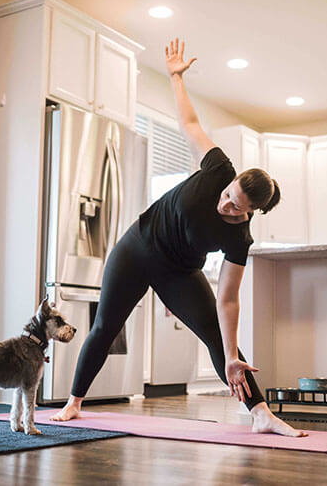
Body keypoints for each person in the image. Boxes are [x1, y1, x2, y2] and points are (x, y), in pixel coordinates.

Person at [51, 38, 307, 437]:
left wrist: (230, 352)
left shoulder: (240, 240)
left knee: (216, 337)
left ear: (250, 212)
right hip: (137, 248)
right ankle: (74, 402)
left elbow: (228, 299)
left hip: (179, 272)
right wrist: (175, 77)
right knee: (105, 326)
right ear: (231, 180)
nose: (226, 205)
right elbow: (189, 124)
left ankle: (260, 413)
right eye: (228, 195)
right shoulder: (219, 166)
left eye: (236, 207)